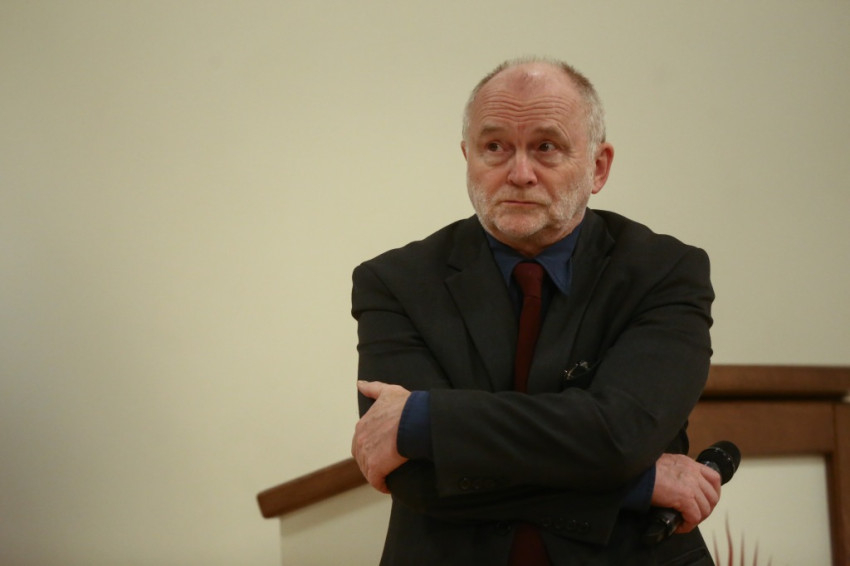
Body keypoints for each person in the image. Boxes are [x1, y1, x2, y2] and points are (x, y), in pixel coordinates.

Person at [351, 57, 721, 565]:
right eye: (495, 147)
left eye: (546, 147)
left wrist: (423, 419)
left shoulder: (664, 271)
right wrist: (638, 485)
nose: (519, 174)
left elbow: (618, 435)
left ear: (598, 167)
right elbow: (415, 477)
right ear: (467, 157)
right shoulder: (395, 281)